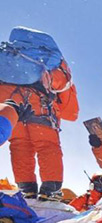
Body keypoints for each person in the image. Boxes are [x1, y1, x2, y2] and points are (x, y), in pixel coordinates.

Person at [0, 27, 79, 200]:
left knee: (19, 145)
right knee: (47, 145)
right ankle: (50, 189)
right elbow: (70, 107)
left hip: (10, 104)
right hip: (39, 106)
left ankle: (26, 189)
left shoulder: (9, 56)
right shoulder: (53, 62)